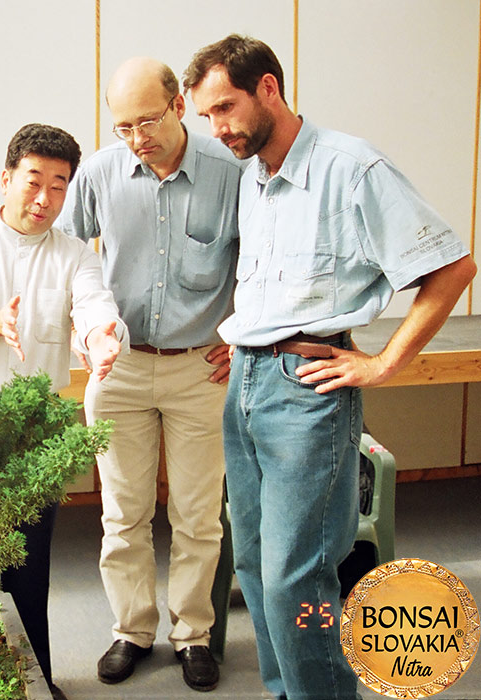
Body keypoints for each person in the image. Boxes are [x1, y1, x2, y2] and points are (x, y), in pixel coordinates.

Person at [184, 34, 477, 700]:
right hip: (249, 385)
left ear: (268, 88)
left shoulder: (353, 169)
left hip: (307, 396)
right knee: (257, 566)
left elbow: (453, 267)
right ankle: (288, 690)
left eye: (225, 107)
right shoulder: (253, 175)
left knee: (297, 573)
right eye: (205, 116)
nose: (217, 128)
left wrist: (384, 365)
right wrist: (249, 335)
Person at [56, 57, 243, 691]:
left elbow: (262, 261)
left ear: (179, 106)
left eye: (148, 120)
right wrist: (87, 331)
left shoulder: (231, 172)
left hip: (201, 371)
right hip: (122, 369)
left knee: (198, 516)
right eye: (122, 126)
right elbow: (70, 261)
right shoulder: (99, 175)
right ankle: (131, 630)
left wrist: (239, 334)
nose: (137, 138)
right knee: (123, 512)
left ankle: (192, 633)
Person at [0, 123, 128, 695]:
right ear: (7, 177)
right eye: (33, 181)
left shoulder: (73, 256)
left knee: (29, 566)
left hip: (31, 432)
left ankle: (34, 678)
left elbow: (94, 308)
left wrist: (104, 337)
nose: (44, 199)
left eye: (59, 187)